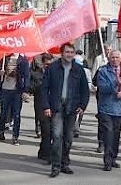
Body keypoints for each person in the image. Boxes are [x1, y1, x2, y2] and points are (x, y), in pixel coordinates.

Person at [42, 43, 90, 178]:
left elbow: (84, 90)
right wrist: (46, 106)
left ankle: (65, 163)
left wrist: (83, 105)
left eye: (71, 52)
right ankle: (55, 166)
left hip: (72, 108)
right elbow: (44, 88)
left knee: (68, 138)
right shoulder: (53, 68)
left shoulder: (79, 69)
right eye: (67, 52)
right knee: (57, 136)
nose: (69, 54)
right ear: (62, 53)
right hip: (56, 107)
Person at [95, 49, 121, 171]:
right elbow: (101, 87)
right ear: (109, 58)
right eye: (113, 57)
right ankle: (107, 160)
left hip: (119, 109)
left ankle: (113, 158)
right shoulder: (103, 71)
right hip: (106, 108)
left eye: (117, 57)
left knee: (116, 136)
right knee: (108, 133)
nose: (115, 60)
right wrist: (114, 83)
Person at [0, 53, 30, 145]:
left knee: (17, 114)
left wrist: (25, 90)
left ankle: (15, 136)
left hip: (17, 91)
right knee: (3, 112)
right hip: (5, 90)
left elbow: (26, 76)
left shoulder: (23, 60)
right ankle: (1, 131)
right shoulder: (4, 58)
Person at [31, 53, 54, 162]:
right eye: (47, 64)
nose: (48, 66)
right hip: (40, 105)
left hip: (53, 105)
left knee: (52, 130)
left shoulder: (55, 74)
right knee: (46, 130)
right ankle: (46, 153)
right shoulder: (37, 74)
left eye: (51, 64)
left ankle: (43, 151)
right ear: (43, 64)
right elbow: (31, 87)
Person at [92, 44, 112, 153]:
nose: (108, 52)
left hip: (115, 100)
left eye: (110, 50)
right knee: (102, 120)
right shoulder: (100, 61)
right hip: (102, 97)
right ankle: (101, 143)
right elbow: (94, 77)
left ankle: (111, 145)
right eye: (107, 50)